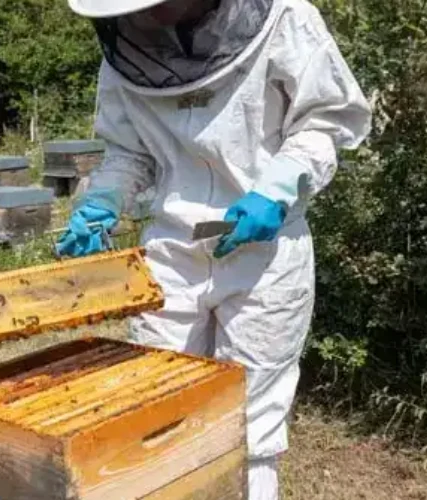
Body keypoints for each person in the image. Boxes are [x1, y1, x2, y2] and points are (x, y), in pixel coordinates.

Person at [57, 0, 372, 498]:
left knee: (252, 423)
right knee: (155, 406)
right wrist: (103, 201)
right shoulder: (126, 45)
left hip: (262, 255)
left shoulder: (286, 18)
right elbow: (128, 151)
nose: (147, 17)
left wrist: (278, 188)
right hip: (169, 252)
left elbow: (327, 121)